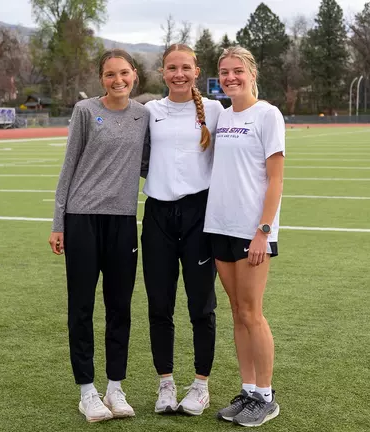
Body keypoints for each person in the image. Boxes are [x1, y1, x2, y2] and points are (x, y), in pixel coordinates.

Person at [48, 48, 150, 424]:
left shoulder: (144, 116)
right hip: (82, 219)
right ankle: (87, 391)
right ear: (101, 78)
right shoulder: (86, 111)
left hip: (123, 221)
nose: (118, 80)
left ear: (135, 75)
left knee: (120, 307)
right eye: (110, 74)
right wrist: (58, 223)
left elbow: (149, 166)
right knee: (82, 307)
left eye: (124, 73)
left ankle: (115, 388)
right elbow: (68, 166)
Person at [140, 43, 224, 416]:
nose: (178, 74)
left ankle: (201, 385)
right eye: (171, 68)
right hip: (157, 214)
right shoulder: (149, 112)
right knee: (160, 305)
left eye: (185, 68)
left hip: (199, 216)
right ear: (162, 72)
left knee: (201, 306)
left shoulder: (216, 111)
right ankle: (166, 384)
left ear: (196, 70)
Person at [204, 46, 285, 427]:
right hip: (219, 225)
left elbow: (276, 179)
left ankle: (266, 397)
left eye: (238, 71)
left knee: (253, 312)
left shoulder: (267, 115)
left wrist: (263, 232)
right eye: (224, 72)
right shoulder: (221, 115)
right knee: (236, 312)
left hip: (252, 233)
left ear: (252, 74)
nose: (230, 77)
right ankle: (248, 390)